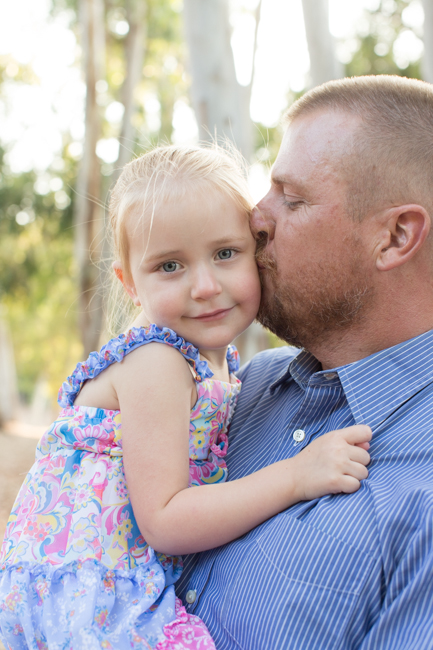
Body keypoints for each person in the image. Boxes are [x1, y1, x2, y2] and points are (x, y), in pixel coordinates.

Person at [0, 145, 371, 649]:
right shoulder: (157, 361)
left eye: (224, 253)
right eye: (170, 266)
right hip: (91, 590)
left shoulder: (217, 365)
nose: (203, 286)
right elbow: (166, 520)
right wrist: (296, 475)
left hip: (117, 578)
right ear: (130, 283)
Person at [177, 75, 433, 649]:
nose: (254, 218)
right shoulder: (240, 389)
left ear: (394, 236)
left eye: (291, 200)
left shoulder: (423, 492)